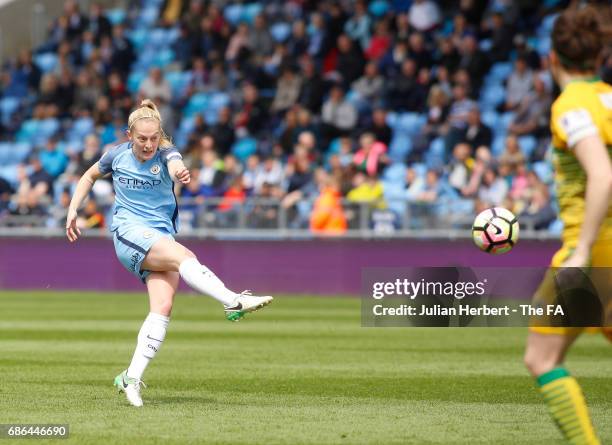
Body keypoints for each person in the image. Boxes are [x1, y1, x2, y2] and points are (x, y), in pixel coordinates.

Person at [65, 100, 273, 407]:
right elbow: (88, 177)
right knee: (183, 255)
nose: (148, 145)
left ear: (160, 135)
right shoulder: (116, 156)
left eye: (153, 138)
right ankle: (232, 301)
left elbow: (176, 165)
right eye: (141, 139)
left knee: (163, 306)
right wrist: (72, 209)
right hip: (129, 232)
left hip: (159, 235)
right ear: (129, 135)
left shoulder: (166, 154)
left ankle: (130, 378)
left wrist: (181, 173)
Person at [522, 7, 612, 445]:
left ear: (551, 58)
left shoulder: (571, 106)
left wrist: (581, 251)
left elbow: (603, 175)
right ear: (600, 57)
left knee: (541, 357)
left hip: (595, 253)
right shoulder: (608, 98)